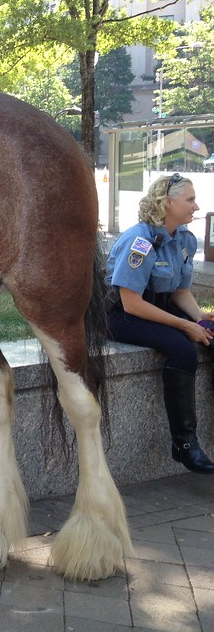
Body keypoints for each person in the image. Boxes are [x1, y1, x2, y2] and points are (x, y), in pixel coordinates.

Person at [106, 173, 214, 474]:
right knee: (182, 349)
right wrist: (184, 327)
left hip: (158, 307)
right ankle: (184, 444)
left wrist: (200, 319)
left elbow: (180, 292)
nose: (196, 206)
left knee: (211, 334)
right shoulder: (139, 241)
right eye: (189, 200)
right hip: (124, 315)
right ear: (167, 202)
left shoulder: (184, 239)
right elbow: (132, 303)